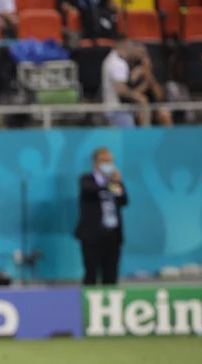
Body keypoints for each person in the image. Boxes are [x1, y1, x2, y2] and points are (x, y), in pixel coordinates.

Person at [74, 147, 128, 286]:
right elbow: (91, 190)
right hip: (92, 235)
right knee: (91, 272)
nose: (108, 164)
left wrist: (117, 183)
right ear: (96, 163)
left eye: (110, 161)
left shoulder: (115, 182)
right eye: (105, 161)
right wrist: (110, 183)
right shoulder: (87, 180)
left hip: (113, 234)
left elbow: (123, 200)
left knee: (111, 273)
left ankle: (110, 299)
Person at [126, 43, 172, 127]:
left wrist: (148, 75)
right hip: (137, 106)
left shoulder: (155, 70)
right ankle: (146, 135)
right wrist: (136, 77)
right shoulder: (128, 71)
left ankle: (170, 135)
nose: (140, 57)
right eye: (137, 54)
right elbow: (130, 95)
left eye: (142, 54)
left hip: (155, 105)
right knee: (144, 111)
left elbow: (160, 96)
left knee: (164, 114)